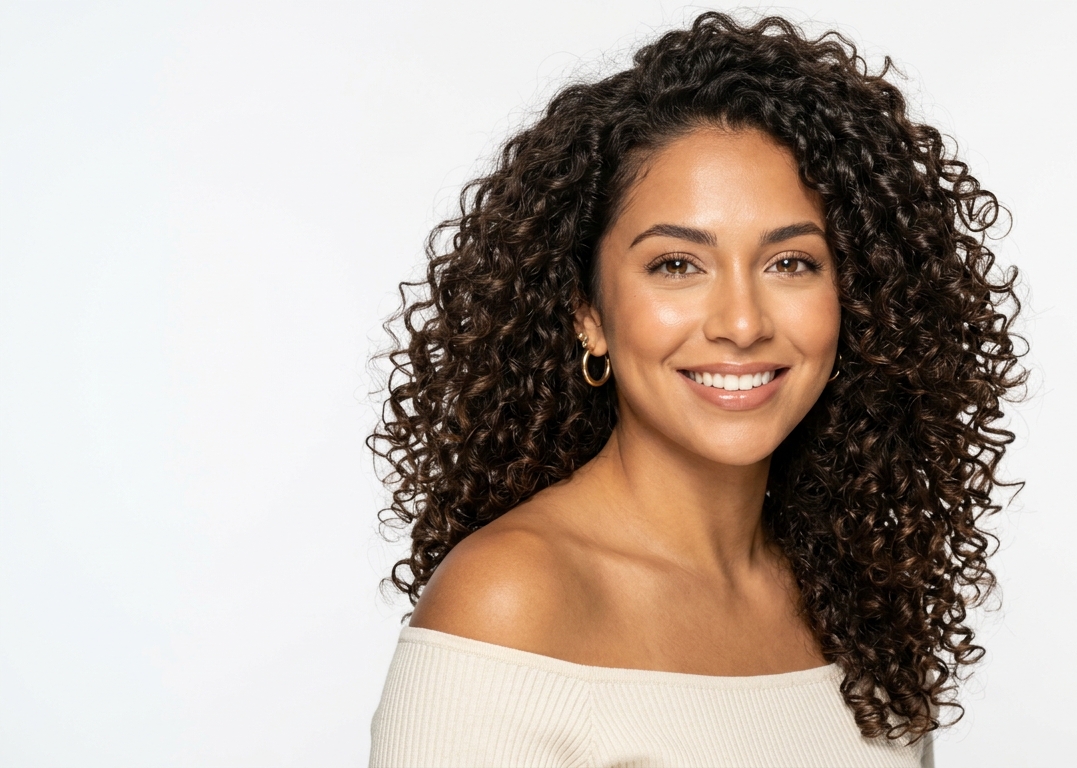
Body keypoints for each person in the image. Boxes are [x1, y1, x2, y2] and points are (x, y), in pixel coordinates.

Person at [367, 11, 1023, 767]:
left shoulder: (855, 601)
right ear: (589, 313)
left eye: (791, 263)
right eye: (677, 264)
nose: (742, 323)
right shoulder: (512, 600)